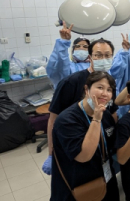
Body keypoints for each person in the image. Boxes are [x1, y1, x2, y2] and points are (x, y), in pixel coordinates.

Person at [43, 38, 118, 175]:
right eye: (98, 55)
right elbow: (54, 119)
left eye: (107, 55)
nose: (103, 59)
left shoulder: (110, 82)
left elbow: (112, 112)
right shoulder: (70, 82)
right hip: (76, 145)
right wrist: (51, 153)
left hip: (102, 149)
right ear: (90, 57)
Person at [51, 71, 119, 201]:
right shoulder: (67, 120)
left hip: (105, 179)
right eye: (100, 87)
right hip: (77, 186)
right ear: (87, 89)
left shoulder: (106, 115)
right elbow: (84, 156)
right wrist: (96, 119)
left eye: (109, 90)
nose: (105, 93)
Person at [46, 22, 90, 88]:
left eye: (85, 46)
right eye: (78, 46)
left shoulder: (95, 66)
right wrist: (63, 42)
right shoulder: (69, 66)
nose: (81, 48)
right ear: (73, 50)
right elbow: (59, 63)